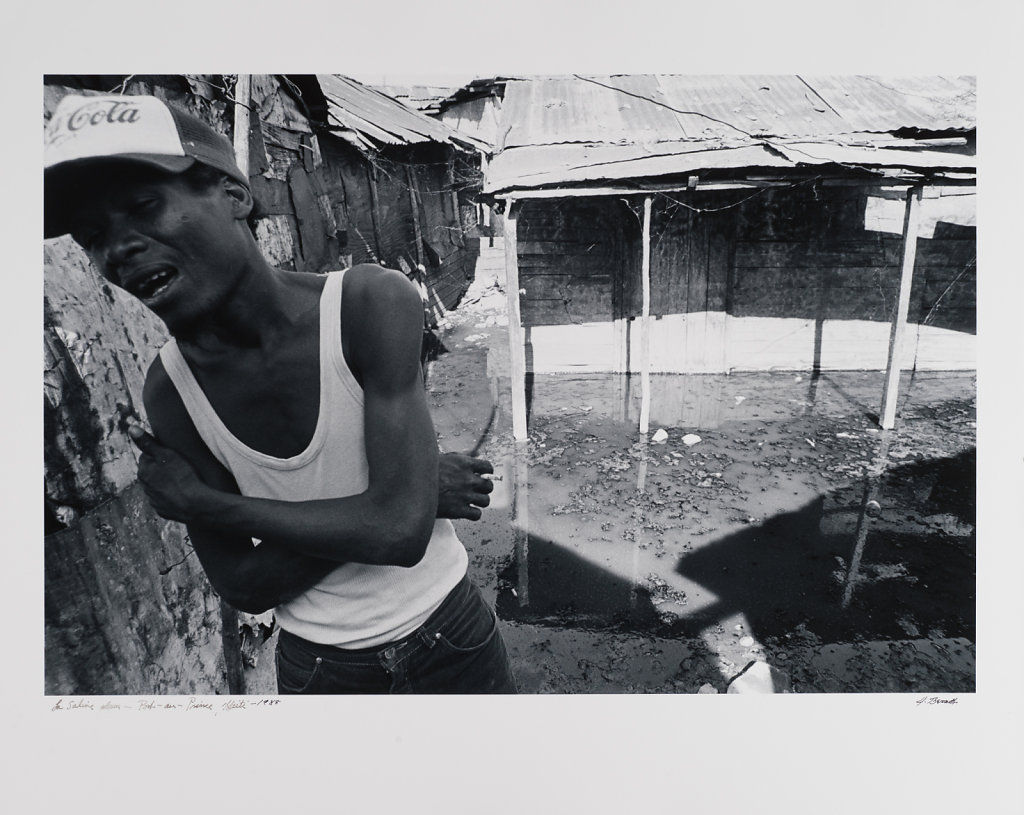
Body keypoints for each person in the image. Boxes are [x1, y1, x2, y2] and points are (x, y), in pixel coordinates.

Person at [44, 93, 517, 694]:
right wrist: (414, 493)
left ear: (234, 195)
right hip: (322, 671)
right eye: (92, 236)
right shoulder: (172, 393)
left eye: (143, 205)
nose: (118, 249)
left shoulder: (369, 305)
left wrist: (210, 506)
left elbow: (399, 535)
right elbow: (243, 584)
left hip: (451, 635)